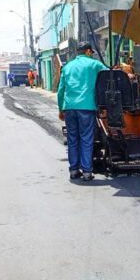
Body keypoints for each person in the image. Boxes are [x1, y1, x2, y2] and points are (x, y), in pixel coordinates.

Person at [57, 42, 106, 181]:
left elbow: (61, 91)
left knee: (72, 139)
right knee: (86, 139)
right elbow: (109, 76)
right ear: (89, 51)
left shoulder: (67, 67)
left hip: (69, 108)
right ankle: (87, 172)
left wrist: (61, 109)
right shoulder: (94, 64)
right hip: (86, 107)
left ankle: (73, 170)